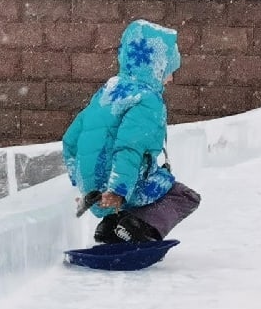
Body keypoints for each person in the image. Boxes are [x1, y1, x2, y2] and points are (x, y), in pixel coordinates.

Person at [62, 20, 201, 246]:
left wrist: (80, 179)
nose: (171, 78)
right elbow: (129, 147)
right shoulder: (148, 100)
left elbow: (70, 140)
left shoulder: (107, 92)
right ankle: (137, 229)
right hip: (118, 188)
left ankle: (109, 228)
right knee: (184, 196)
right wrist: (118, 190)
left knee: (144, 175)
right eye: (169, 71)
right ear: (156, 67)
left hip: (93, 190)